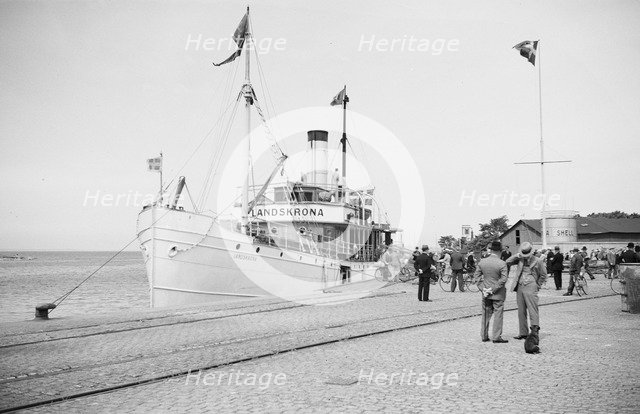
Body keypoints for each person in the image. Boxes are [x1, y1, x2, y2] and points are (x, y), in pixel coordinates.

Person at [507, 242, 547, 340]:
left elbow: (543, 274)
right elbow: (507, 261)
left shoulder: (538, 261)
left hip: (531, 285)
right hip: (520, 286)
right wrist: (517, 255)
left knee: (533, 309)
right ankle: (523, 332)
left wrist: (537, 285)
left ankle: (534, 333)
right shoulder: (520, 259)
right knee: (521, 310)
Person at [474, 240, 509, 343]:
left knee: (485, 314)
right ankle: (496, 336)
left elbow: (476, 277)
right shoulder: (502, 263)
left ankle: (484, 336)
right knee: (498, 314)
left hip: (485, 293)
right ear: (500, 251)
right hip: (498, 293)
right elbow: (503, 279)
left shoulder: (482, 262)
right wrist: (492, 289)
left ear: (491, 250)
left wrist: (483, 288)